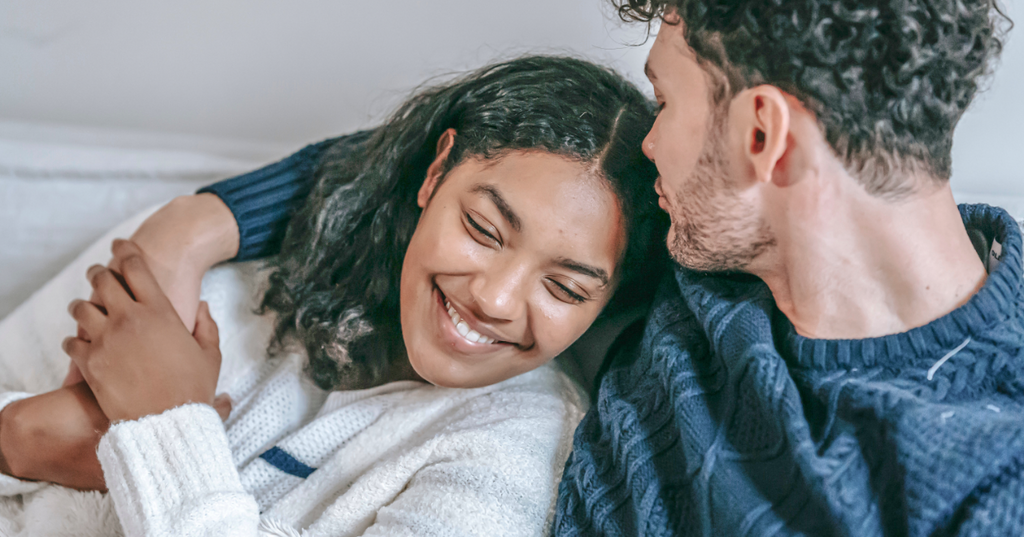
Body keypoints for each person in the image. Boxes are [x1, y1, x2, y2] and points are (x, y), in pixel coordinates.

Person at [0, 56, 668, 536]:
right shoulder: (202, 276)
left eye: (563, 287)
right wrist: (21, 435)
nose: (495, 297)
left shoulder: (512, 455)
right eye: (483, 229)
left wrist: (163, 426)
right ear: (436, 171)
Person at [555, 0, 1023, 535]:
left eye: (663, 103)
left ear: (762, 135)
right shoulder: (703, 251)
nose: (649, 142)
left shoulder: (996, 481)